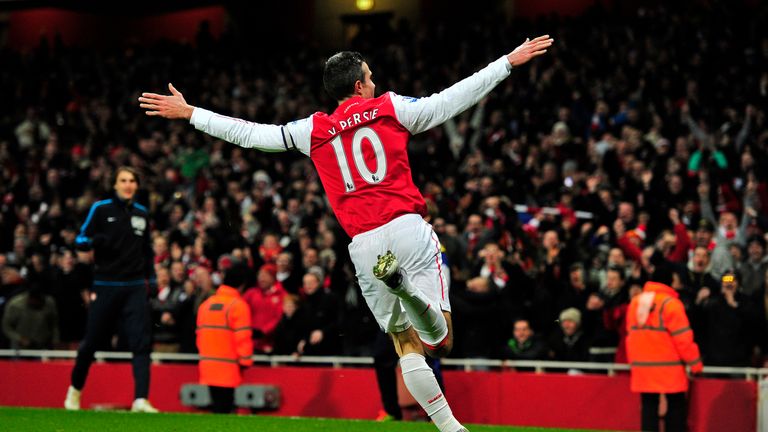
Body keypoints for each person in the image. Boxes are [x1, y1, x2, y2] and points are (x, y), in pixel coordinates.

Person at [139, 35, 553, 432]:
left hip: (365, 245)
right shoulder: (391, 108)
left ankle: (451, 428)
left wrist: (192, 113)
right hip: (407, 228)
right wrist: (506, 63)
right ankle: (409, 293)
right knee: (440, 342)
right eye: (370, 78)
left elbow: (250, 134)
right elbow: (450, 100)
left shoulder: (312, 130)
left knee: (403, 343)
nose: (375, 84)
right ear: (359, 85)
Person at [64, 167, 158, 413]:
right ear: (115, 185)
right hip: (106, 285)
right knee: (91, 342)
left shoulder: (142, 214)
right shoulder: (101, 209)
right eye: (123, 180)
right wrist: (95, 242)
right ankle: (74, 391)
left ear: (136, 186)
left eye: (132, 181)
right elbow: (80, 240)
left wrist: (152, 279)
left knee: (141, 342)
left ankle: (141, 399)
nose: (127, 185)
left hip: (135, 286)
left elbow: (147, 251)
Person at [626, 265, 703, 432]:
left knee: (648, 407)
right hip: (669, 369)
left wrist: (634, 363)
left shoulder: (635, 303)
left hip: (643, 368)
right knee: (676, 407)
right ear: (669, 282)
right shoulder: (671, 304)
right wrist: (696, 364)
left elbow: (630, 336)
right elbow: (683, 339)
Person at [196, 263, 253, 414]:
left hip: (208, 365)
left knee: (217, 407)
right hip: (228, 367)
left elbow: (199, 337)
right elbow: (243, 338)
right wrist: (245, 361)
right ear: (242, 285)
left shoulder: (206, 305)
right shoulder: (238, 306)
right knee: (226, 408)